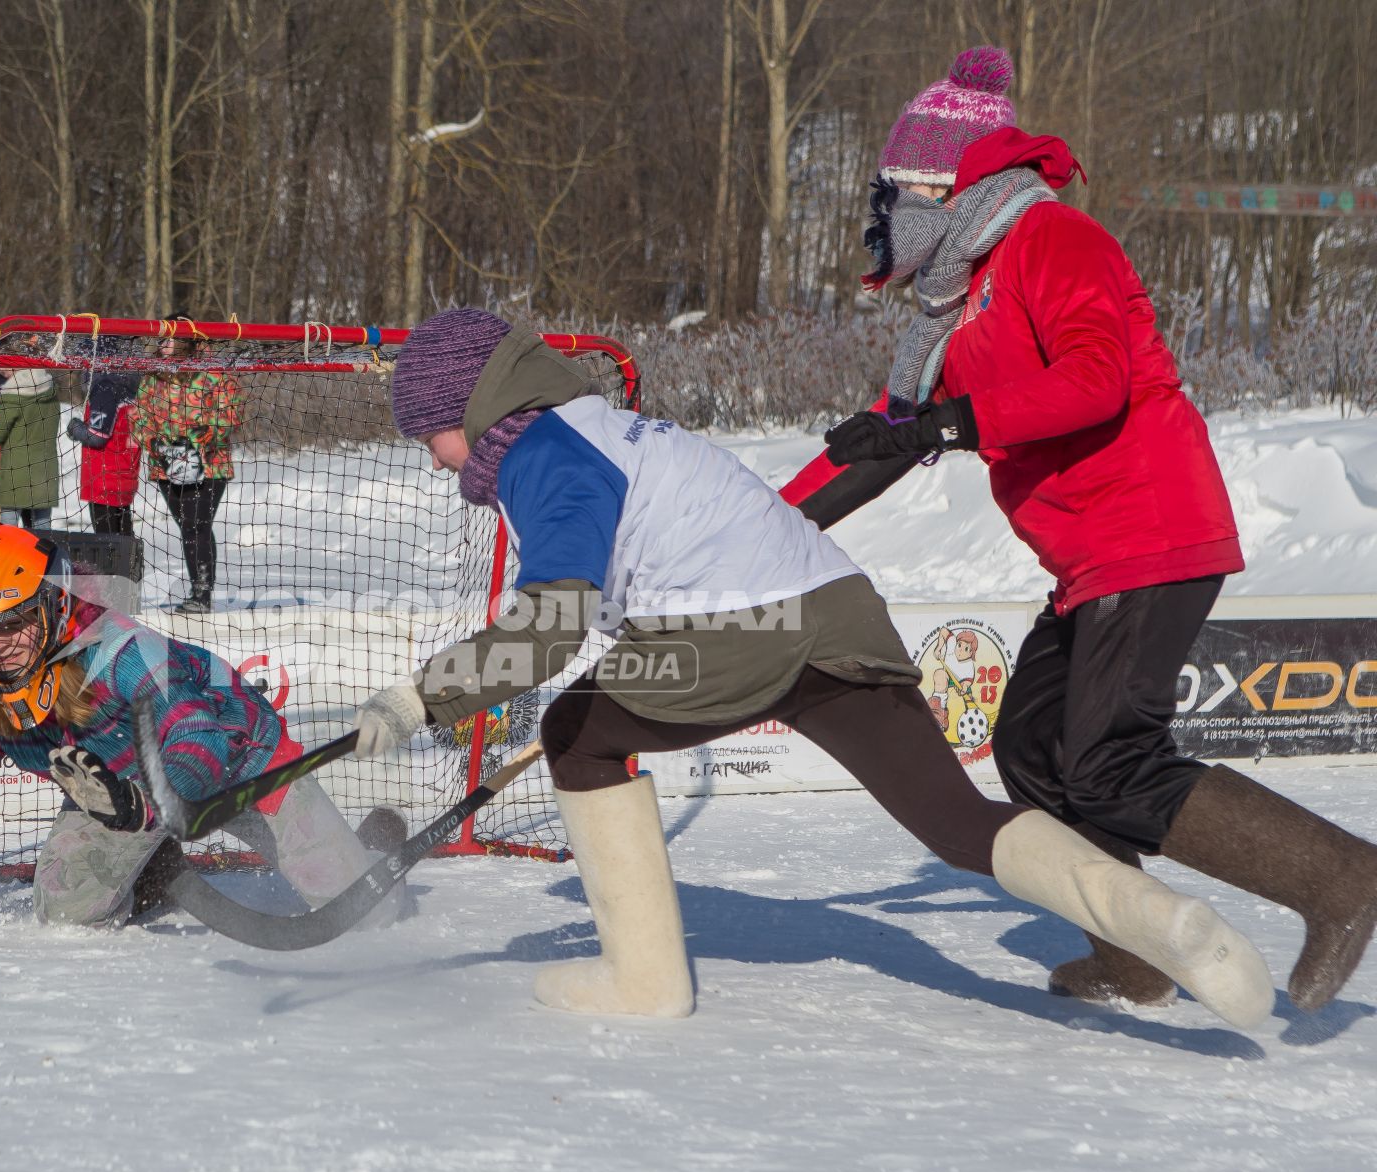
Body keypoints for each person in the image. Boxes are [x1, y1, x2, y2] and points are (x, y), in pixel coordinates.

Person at [348, 307, 1273, 1030]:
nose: (435, 460)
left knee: (573, 733)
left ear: (475, 408)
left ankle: (642, 980)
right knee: (957, 823)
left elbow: (550, 624)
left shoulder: (545, 456)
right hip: (834, 609)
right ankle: (1158, 923)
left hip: (736, 632)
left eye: (430, 433)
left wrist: (420, 698)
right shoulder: (606, 426)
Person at [783, 46, 1377, 1014]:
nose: (881, 213)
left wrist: (950, 423)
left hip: (1151, 530)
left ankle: (1341, 880)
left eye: (894, 190)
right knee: (1031, 747)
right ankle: (1135, 954)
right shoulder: (956, 300)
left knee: (1110, 763)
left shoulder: (1052, 241)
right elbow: (887, 442)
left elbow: (1096, 379)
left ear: (945, 186)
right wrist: (765, 518)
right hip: (1091, 559)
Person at [0, 523, 404, 951]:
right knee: (66, 911)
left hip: (242, 766)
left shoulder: (125, 653)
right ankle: (153, 865)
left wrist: (142, 806)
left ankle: (367, 847)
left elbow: (199, 738)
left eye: (12, 623)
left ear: (51, 605)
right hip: (119, 799)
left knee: (372, 916)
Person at [133, 312, 244, 612]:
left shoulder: (214, 372)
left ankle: (201, 594)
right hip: (166, 466)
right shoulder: (153, 373)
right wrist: (153, 442)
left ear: (187, 339)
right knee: (186, 526)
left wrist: (204, 435)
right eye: (162, 338)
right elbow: (139, 414)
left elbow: (231, 412)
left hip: (209, 465)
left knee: (198, 525)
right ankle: (198, 588)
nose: (164, 343)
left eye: (171, 337)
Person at [67, 339, 145, 536]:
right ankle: (126, 567)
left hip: (105, 480)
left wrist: (75, 428)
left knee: (107, 545)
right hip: (124, 476)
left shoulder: (105, 388)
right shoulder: (128, 387)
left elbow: (97, 437)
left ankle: (115, 568)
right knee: (124, 540)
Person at [0, 342, 60, 529]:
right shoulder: (51, 389)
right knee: (42, 533)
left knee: (7, 532)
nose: (1, 370)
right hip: (45, 472)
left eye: (6, 363)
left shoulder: (12, 392)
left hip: (15, 474)